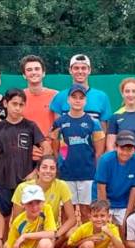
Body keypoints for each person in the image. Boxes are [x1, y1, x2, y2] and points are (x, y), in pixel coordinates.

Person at [0, 88, 49, 230]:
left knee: (22, 217)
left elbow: (47, 148)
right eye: (14, 104)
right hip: (3, 180)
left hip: (25, 181)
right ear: (5, 103)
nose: (17, 108)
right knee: (4, 217)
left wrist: (36, 171)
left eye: (21, 105)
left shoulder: (30, 126)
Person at [12, 155, 76, 248]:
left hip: (50, 232)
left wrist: (56, 234)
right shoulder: (23, 188)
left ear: (56, 171)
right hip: (29, 233)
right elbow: (17, 220)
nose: (48, 171)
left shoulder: (61, 185)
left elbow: (72, 218)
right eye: (44, 167)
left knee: (73, 233)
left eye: (52, 168)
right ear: (37, 170)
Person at [51, 83, 105, 222]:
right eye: (74, 97)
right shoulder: (59, 123)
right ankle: (66, 243)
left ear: (85, 101)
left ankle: (85, 242)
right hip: (66, 175)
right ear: (68, 99)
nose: (77, 100)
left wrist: (95, 171)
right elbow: (55, 149)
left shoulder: (94, 123)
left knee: (86, 211)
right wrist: (60, 167)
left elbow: (99, 152)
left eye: (81, 97)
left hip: (87, 174)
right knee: (66, 212)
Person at [50, 54, 113, 132]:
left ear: (89, 70)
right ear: (70, 70)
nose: (80, 71)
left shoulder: (102, 97)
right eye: (76, 68)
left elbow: (103, 131)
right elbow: (57, 131)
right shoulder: (59, 97)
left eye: (83, 68)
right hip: (66, 144)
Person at [95, 130, 135, 228]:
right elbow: (101, 188)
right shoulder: (105, 160)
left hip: (123, 202)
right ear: (116, 147)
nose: (125, 152)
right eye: (122, 148)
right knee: (102, 229)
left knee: (127, 228)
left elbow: (134, 189)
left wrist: (128, 215)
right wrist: (104, 212)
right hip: (104, 199)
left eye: (129, 149)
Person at [20, 55, 57, 137]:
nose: (33, 72)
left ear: (43, 73)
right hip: (26, 148)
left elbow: (60, 128)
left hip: (50, 148)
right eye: (29, 70)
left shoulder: (56, 96)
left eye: (37, 69)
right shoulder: (18, 97)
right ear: (24, 75)